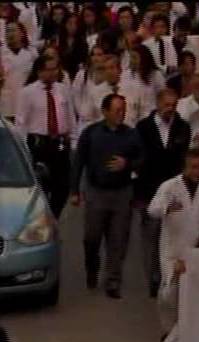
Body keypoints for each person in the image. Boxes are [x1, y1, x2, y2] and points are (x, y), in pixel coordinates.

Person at [70, 93, 144, 299]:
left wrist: (127, 164)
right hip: (96, 192)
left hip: (122, 193)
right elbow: (78, 162)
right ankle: (92, 268)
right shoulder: (91, 133)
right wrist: (74, 190)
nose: (121, 114)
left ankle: (113, 280)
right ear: (105, 111)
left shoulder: (131, 135)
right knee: (91, 237)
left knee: (118, 239)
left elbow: (142, 159)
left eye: (123, 110)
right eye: (117, 110)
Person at [148, 148, 199, 336]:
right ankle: (168, 331)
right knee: (169, 294)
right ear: (184, 167)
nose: (197, 171)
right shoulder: (170, 186)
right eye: (193, 167)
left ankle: (191, 332)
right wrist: (167, 207)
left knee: (196, 294)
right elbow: (152, 209)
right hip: (174, 250)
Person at [136, 88, 192, 297]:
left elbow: (183, 158)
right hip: (149, 190)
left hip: (174, 191)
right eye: (167, 105)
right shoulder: (143, 127)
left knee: (172, 237)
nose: (170, 109)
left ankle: (170, 278)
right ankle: (153, 279)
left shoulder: (182, 127)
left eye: (174, 105)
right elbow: (139, 160)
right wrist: (139, 195)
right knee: (151, 237)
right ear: (158, 104)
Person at [16, 54, 76, 219]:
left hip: (60, 143)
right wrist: (23, 150)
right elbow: (21, 123)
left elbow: (70, 116)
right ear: (39, 71)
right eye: (49, 70)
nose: (53, 73)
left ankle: (52, 218)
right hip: (38, 144)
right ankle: (40, 219)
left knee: (62, 187)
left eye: (55, 69)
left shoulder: (63, 89)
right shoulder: (27, 93)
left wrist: (73, 141)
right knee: (42, 186)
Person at [85, 54, 154, 128]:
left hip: (131, 131)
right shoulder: (95, 92)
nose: (108, 72)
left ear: (120, 69)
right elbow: (89, 118)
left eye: (111, 68)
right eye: (104, 69)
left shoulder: (135, 88)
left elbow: (146, 112)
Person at [0, 21, 37, 121]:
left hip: (26, 102)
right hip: (6, 104)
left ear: (22, 33)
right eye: (7, 31)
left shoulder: (32, 53)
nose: (10, 33)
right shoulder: (1, 53)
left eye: (13, 30)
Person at [176, 71, 199, 138]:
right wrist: (198, 104)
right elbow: (181, 124)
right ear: (191, 87)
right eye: (197, 86)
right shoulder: (181, 103)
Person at [58, 13, 88, 82]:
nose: (73, 26)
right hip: (61, 74)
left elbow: (82, 62)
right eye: (70, 23)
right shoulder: (58, 40)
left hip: (77, 75)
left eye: (75, 23)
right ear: (64, 24)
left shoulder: (82, 42)